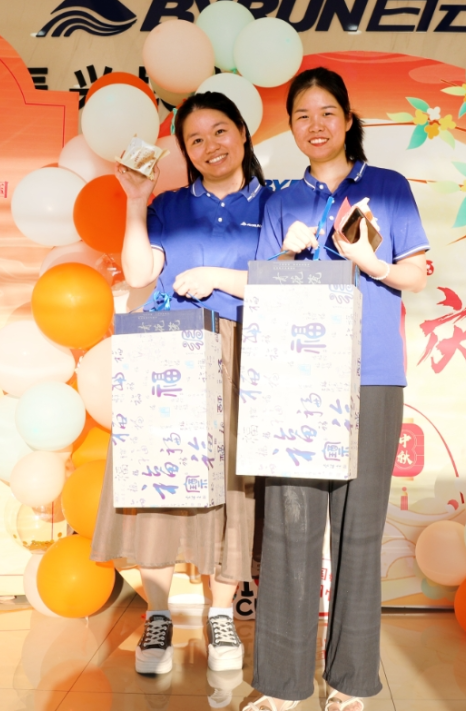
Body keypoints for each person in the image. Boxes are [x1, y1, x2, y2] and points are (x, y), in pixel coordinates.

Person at [246, 68, 429, 711]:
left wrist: (370, 262)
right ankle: (283, 687)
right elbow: (262, 287)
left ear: (348, 120)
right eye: (302, 115)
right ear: (291, 127)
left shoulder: (388, 186)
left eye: (327, 112)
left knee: (360, 528)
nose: (315, 125)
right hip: (295, 380)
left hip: (372, 373)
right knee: (290, 529)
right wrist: (285, 257)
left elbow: (417, 272)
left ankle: (350, 683)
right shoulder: (281, 200)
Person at [92, 91, 269, 679]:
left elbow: (291, 279)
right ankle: (159, 614)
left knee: (235, 487)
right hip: (170, 351)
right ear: (185, 152)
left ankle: (221, 616)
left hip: (244, 352)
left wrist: (220, 277)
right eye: (195, 139)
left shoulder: (275, 201)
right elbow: (139, 272)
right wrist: (135, 201)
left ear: (242, 132)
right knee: (159, 484)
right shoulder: (169, 205)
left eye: (220, 131)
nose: (210, 146)